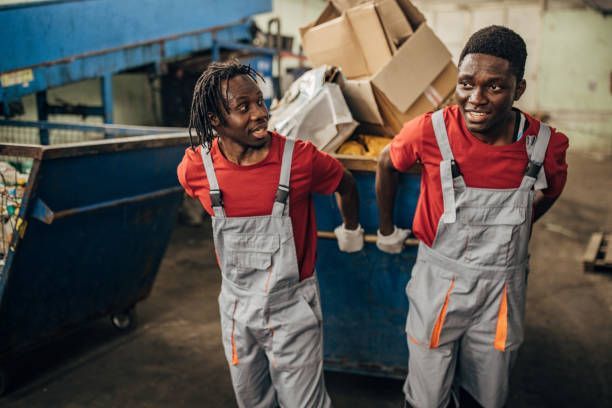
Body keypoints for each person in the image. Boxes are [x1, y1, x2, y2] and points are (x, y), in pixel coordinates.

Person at [375, 26, 569, 408]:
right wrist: (385, 229)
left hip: (502, 289)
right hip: (439, 280)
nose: (475, 99)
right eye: (466, 84)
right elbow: (386, 162)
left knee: (489, 389)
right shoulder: (429, 132)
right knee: (428, 391)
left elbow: (552, 190)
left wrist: (519, 226)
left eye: (494, 87)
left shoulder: (544, 145)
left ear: (519, 89)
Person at [177, 60, 363, 408]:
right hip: (236, 309)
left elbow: (346, 183)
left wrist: (350, 229)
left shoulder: (299, 159)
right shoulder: (196, 169)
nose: (260, 114)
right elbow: (190, 184)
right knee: (252, 400)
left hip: (291, 306)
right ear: (215, 121)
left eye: (260, 102)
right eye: (242, 107)